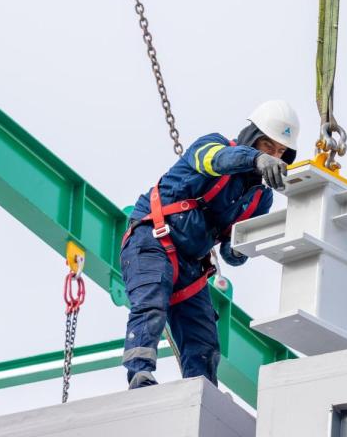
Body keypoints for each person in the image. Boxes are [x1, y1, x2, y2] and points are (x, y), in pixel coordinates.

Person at [120, 100, 300, 389]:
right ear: (251, 137)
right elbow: (217, 161)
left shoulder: (260, 197)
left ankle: (199, 397)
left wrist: (247, 245)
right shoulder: (212, 145)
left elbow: (232, 252)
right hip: (153, 240)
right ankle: (139, 376)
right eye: (268, 145)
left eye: (280, 152)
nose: (274, 155)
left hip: (191, 265)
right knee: (150, 304)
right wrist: (256, 160)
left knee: (203, 340)